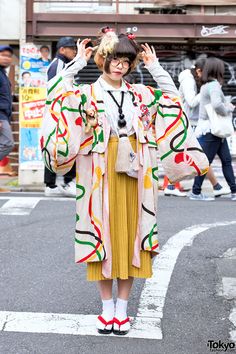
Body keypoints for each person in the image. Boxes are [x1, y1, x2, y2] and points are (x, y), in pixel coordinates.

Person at [41, 28, 208, 335]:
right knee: (102, 234)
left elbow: (172, 99)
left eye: (126, 62)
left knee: (131, 235)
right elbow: (54, 95)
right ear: (103, 59)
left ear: (132, 65)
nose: (120, 66)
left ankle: (122, 308)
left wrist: (155, 67)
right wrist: (77, 63)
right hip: (97, 168)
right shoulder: (85, 94)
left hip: (135, 168)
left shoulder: (140, 94)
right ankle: (106, 309)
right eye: (115, 59)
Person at [168, 57, 229, 198]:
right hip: (186, 122)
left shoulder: (195, 79)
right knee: (196, 155)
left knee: (199, 155)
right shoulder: (189, 80)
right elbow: (191, 102)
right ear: (198, 71)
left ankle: (216, 186)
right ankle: (172, 185)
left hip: (192, 123)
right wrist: (205, 91)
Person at [190, 56, 236, 201]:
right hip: (212, 130)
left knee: (225, 160)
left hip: (210, 129)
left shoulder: (205, 85)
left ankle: (234, 190)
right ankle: (195, 192)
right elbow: (216, 105)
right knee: (206, 162)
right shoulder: (214, 86)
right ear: (218, 70)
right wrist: (227, 109)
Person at [44, 37, 78, 197]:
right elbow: (56, 89)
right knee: (64, 145)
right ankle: (64, 182)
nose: (75, 51)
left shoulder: (62, 64)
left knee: (56, 146)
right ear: (62, 49)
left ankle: (52, 185)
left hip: (60, 113)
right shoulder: (59, 65)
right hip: (60, 113)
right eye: (72, 48)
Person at [0, 45, 14, 161]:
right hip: (1, 116)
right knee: (7, 144)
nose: (6, 58)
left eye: (9, 56)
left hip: (5, 115)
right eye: (3, 55)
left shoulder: (3, 73)